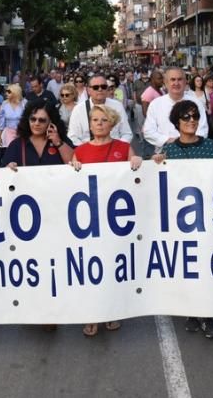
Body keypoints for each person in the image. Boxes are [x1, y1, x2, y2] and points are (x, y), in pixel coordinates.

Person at [150, 99, 213, 339]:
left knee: (207, 267)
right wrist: (156, 164)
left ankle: (208, 317)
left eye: (195, 116)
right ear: (177, 122)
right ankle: (191, 311)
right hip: (181, 222)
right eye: (186, 117)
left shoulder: (211, 147)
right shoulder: (170, 152)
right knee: (188, 267)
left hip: (208, 218)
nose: (191, 121)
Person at [70, 104, 142, 337]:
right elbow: (70, 182)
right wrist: (73, 169)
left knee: (113, 265)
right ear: (89, 124)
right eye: (95, 120)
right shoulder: (80, 151)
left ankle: (112, 311)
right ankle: (92, 313)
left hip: (116, 219)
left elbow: (136, 178)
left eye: (103, 120)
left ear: (112, 124)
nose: (99, 124)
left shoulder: (123, 147)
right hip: (89, 219)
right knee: (91, 267)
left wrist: (137, 163)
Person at [143, 67, 209, 150]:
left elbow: (203, 129)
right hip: (164, 153)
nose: (176, 83)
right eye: (172, 80)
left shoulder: (196, 103)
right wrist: (168, 140)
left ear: (185, 82)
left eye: (180, 79)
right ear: (166, 83)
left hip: (192, 151)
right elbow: (148, 131)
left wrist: (188, 142)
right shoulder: (156, 104)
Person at [1, 99, 75, 169]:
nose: (36, 123)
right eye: (33, 119)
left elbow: (73, 164)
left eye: (42, 120)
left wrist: (59, 143)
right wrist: (9, 167)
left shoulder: (62, 140)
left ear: (51, 121)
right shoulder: (17, 145)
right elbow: (5, 172)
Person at [67, 74, 133, 146]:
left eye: (103, 87)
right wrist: (86, 150)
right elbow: (73, 136)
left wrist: (118, 148)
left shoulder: (117, 106)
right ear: (88, 90)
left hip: (114, 151)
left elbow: (126, 133)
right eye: (96, 87)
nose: (100, 89)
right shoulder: (79, 110)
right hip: (89, 152)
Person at [0, 83, 26, 148]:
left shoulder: (24, 103)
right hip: (9, 132)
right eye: (6, 91)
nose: (6, 93)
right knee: (12, 152)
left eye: (9, 92)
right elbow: (1, 120)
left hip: (22, 131)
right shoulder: (4, 104)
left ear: (15, 93)